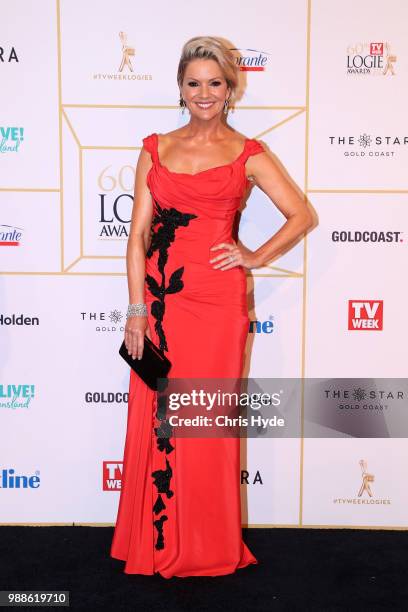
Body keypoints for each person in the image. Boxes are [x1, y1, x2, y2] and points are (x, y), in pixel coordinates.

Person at [110, 35, 313, 578]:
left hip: (218, 304)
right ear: (180, 87)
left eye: (215, 83)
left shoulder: (249, 153)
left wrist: (252, 255)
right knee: (157, 418)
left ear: (231, 90)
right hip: (159, 303)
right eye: (194, 83)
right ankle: (152, 542)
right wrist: (135, 310)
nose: (204, 93)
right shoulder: (155, 147)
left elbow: (300, 215)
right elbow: (136, 237)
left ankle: (206, 544)